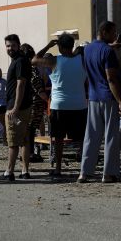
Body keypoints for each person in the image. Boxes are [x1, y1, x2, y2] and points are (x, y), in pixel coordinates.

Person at [32, 33, 88, 178]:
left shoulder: (54, 60)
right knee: (81, 138)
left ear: (60, 47)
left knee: (58, 139)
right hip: (79, 104)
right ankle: (84, 168)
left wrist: (48, 46)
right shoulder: (82, 60)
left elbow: (34, 60)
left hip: (59, 105)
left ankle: (58, 169)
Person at [78, 21, 121, 183]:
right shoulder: (108, 52)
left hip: (93, 97)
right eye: (113, 32)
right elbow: (111, 78)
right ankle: (109, 173)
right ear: (104, 32)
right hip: (108, 97)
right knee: (110, 136)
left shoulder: (87, 49)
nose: (114, 36)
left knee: (91, 136)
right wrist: (120, 101)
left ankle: (84, 172)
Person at [0, 34, 33, 182]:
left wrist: (15, 108)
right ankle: (25, 171)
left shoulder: (19, 61)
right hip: (23, 106)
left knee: (12, 141)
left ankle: (9, 172)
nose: (10, 48)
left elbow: (21, 84)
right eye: (7, 46)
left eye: (12, 45)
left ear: (18, 45)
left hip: (16, 107)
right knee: (24, 140)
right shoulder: (19, 60)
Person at [21, 43, 47, 163]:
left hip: (28, 102)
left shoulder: (23, 67)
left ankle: (28, 153)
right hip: (34, 103)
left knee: (29, 130)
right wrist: (47, 99)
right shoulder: (32, 69)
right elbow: (38, 86)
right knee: (30, 130)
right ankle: (29, 153)